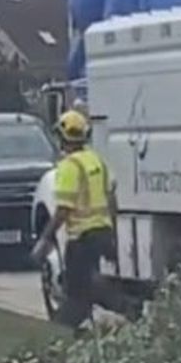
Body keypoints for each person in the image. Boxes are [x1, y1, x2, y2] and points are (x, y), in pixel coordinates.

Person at [30, 109, 124, 330]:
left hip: (82, 239)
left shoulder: (69, 167)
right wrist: (113, 234)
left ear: (61, 137)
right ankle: (119, 311)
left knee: (77, 294)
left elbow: (64, 209)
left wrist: (45, 240)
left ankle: (60, 332)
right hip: (102, 234)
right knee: (89, 287)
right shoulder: (97, 161)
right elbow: (112, 199)